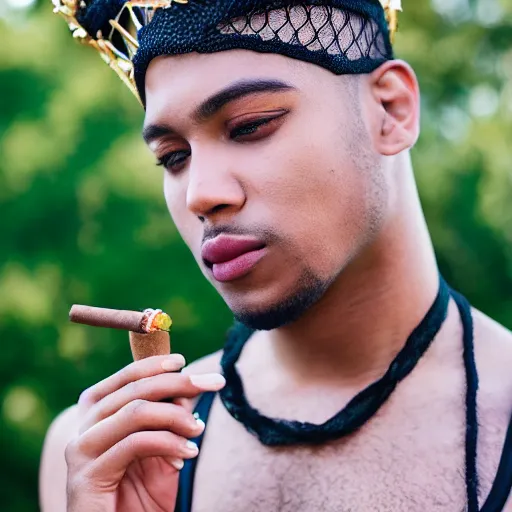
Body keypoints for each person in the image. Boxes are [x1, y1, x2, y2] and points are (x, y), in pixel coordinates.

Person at [39, 1, 512, 511]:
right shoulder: (106, 461)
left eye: (250, 126)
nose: (200, 193)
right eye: (173, 157)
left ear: (391, 111)